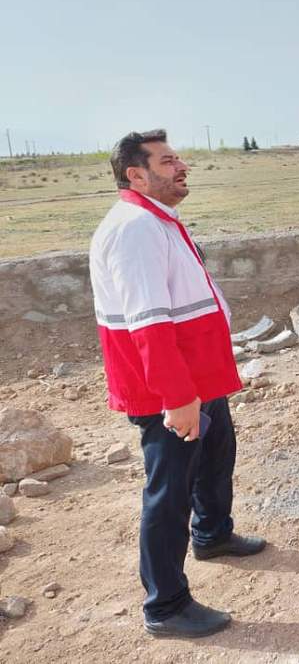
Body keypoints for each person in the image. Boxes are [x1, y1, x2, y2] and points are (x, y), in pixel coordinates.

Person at [89, 130, 266, 638]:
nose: (182, 166)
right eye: (168, 161)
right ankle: (165, 605)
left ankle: (212, 534)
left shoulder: (157, 220)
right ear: (137, 175)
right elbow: (148, 322)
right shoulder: (135, 229)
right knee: (169, 491)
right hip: (169, 388)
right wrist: (177, 396)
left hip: (198, 376)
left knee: (216, 456)